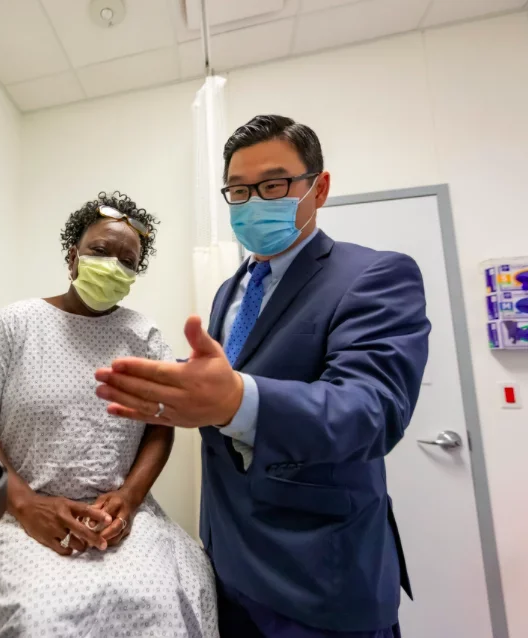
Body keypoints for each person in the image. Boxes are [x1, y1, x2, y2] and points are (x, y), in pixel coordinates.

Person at [94, 115, 431, 637]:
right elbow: (234, 376)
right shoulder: (231, 290)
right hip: (229, 559)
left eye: (273, 185)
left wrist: (235, 401)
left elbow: (371, 410)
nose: (253, 202)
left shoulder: (373, 276)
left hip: (318, 573)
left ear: (318, 188)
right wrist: (180, 386)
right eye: (238, 190)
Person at [0, 192, 217, 637]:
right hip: (21, 510)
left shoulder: (143, 335)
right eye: (100, 251)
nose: (112, 266)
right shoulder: (16, 325)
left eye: (127, 261)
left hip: (120, 515)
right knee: (42, 618)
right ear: (72, 256)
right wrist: (23, 503)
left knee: (165, 604)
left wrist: (131, 498)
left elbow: (160, 427)